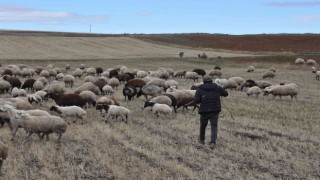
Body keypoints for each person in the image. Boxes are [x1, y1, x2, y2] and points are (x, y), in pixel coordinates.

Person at [194, 75, 228, 149]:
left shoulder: (200, 89)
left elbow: (196, 100)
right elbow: (226, 94)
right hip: (215, 110)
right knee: (214, 126)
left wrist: (202, 99)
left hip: (204, 110)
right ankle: (213, 142)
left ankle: (202, 140)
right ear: (211, 80)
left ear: (204, 81)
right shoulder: (217, 87)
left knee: (203, 126)